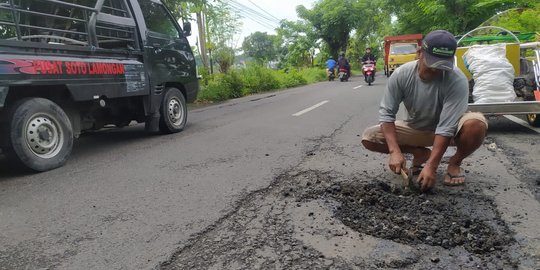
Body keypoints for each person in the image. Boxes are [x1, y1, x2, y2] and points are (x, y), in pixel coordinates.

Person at [361, 30, 488, 191]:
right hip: (416, 128)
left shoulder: (457, 80)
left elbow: (446, 126)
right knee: (369, 137)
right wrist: (394, 151)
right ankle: (419, 153)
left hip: (450, 132)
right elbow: (387, 114)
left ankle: (454, 162)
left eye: (442, 66)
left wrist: (432, 166)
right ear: (419, 52)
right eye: (432, 65)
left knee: (476, 124)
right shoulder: (401, 74)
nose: (436, 71)